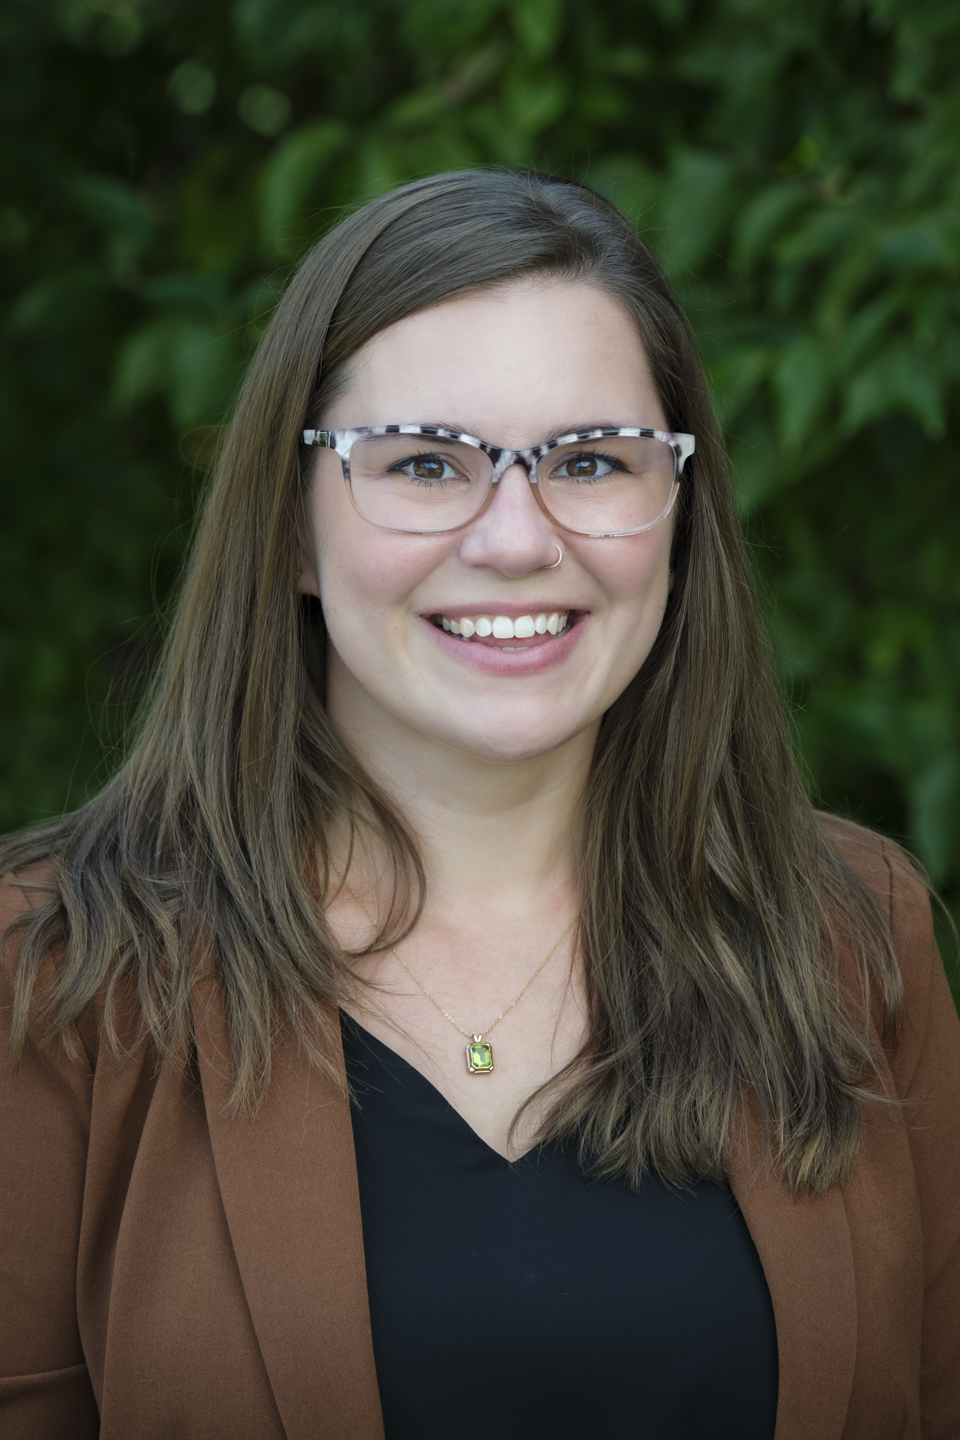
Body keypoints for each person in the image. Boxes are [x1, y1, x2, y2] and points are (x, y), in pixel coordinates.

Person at [1, 169, 958, 1440]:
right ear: (289, 527)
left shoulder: (852, 934)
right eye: (424, 463)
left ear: (679, 515)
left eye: (591, 461)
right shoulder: (52, 973)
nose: (515, 540)